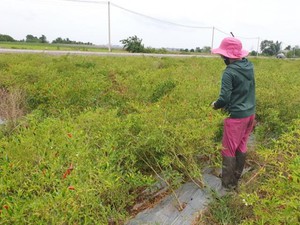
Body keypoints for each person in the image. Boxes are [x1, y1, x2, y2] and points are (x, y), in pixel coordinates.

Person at [211, 37, 256, 190]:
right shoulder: (249, 66)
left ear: (226, 56)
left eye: (222, 55)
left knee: (228, 149)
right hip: (250, 114)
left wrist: (215, 105)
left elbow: (224, 98)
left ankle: (228, 185)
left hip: (236, 117)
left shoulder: (229, 73)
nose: (221, 57)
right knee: (242, 144)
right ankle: (236, 176)